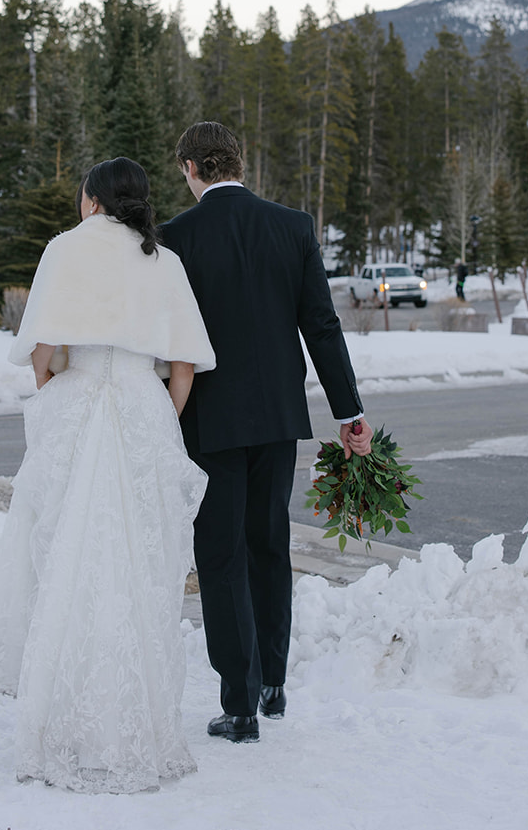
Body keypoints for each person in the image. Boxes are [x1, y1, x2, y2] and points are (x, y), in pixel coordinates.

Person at [0, 157, 215, 795]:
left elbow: (43, 354)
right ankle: (143, 726)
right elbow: (186, 363)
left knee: (66, 561)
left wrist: (58, 392)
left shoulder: (63, 250)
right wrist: (158, 418)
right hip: (141, 407)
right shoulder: (163, 261)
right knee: (141, 567)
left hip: (79, 406)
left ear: (93, 200)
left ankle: (64, 725)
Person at [159, 121, 373, 744]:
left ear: (191, 169)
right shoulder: (293, 227)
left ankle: (240, 704)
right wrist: (349, 412)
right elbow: (322, 327)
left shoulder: (176, 238)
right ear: (239, 165)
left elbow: (169, 341)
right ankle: (274, 681)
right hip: (280, 419)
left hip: (212, 422)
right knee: (268, 545)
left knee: (221, 556)